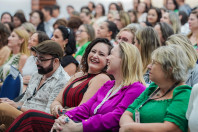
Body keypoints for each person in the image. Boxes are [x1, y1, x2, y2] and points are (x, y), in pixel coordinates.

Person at [7, 41, 146, 132]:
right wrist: (63, 116)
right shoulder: (109, 85)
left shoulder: (135, 88)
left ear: (125, 61)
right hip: (77, 124)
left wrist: (79, 126)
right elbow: (84, 109)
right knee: (29, 118)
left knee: (28, 116)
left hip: (86, 128)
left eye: (110, 55)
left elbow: (115, 117)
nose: (108, 58)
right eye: (93, 51)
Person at [0, 40, 70, 131]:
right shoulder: (37, 74)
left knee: (2, 109)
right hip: (23, 115)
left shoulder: (63, 81)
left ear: (55, 61)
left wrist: (17, 106)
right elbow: (24, 100)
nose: (37, 62)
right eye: (36, 58)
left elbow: (47, 114)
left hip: (35, 122)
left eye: (42, 59)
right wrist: (11, 103)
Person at [120, 44, 191, 132]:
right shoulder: (153, 88)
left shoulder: (183, 93)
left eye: (154, 63)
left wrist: (131, 128)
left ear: (169, 68)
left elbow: (172, 128)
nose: (149, 66)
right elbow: (127, 114)